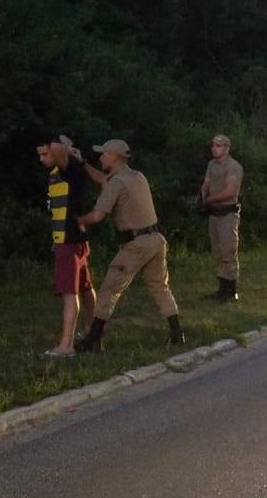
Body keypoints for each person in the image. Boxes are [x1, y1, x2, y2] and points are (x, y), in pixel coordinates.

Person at [75, 139, 185, 352]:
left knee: (109, 289)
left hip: (136, 245)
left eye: (104, 154)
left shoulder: (117, 183)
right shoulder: (136, 176)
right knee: (159, 286)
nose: (100, 157)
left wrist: (77, 221)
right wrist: (82, 163)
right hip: (156, 240)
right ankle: (177, 334)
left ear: (114, 157)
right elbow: (103, 179)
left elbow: (97, 216)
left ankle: (94, 340)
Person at [36, 135, 100, 358]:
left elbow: (56, 145)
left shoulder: (68, 170)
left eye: (45, 154)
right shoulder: (66, 172)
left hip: (69, 242)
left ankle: (66, 346)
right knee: (86, 288)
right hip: (76, 240)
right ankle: (92, 332)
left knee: (69, 293)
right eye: (40, 155)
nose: (42, 158)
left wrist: (67, 147)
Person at [200, 133, 244, 301]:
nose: (214, 148)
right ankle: (221, 289)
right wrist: (203, 195)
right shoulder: (211, 164)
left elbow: (230, 191)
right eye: (213, 145)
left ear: (226, 148)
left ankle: (231, 291)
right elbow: (207, 182)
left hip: (227, 214)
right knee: (217, 252)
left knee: (228, 252)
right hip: (214, 213)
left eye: (218, 146)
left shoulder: (233, 166)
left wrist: (209, 199)